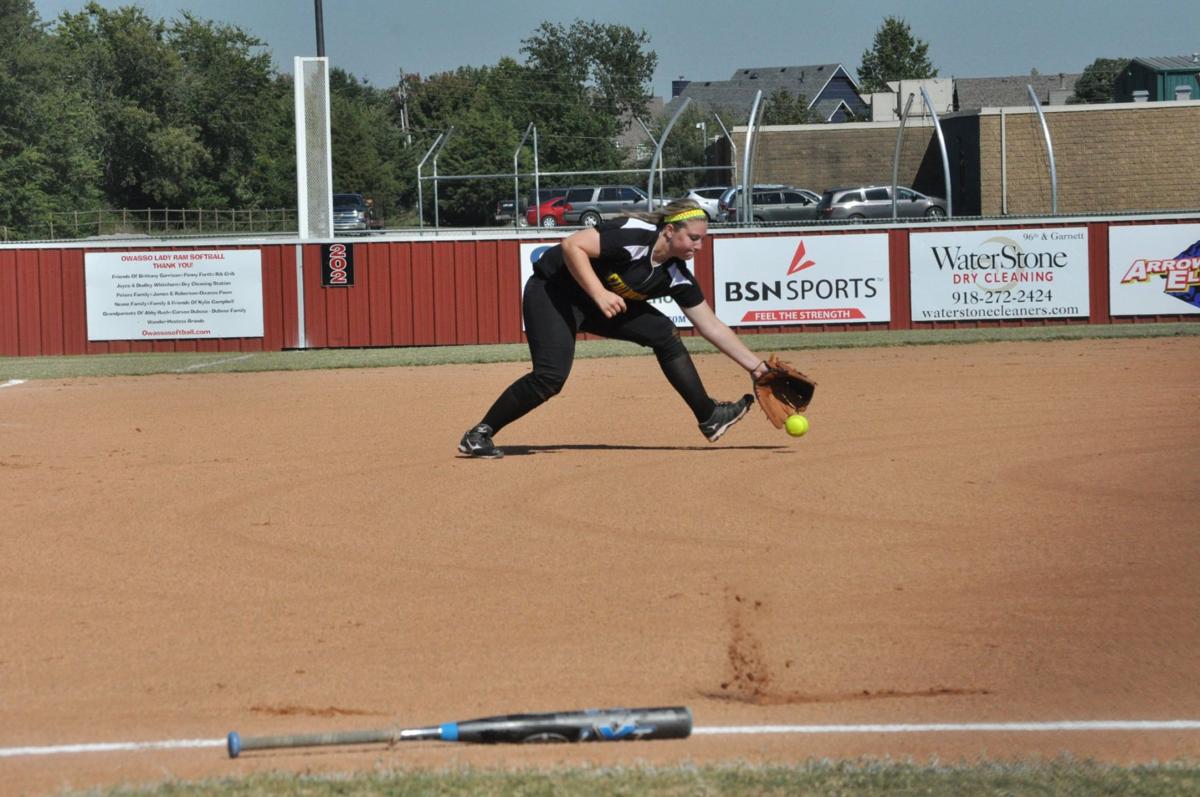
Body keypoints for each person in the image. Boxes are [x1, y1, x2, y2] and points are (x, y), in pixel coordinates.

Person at [458, 198, 772, 459]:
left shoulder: (675, 275)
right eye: (693, 238)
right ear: (669, 230)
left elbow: (711, 325)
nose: (699, 246)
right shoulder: (634, 235)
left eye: (702, 239)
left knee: (663, 333)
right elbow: (572, 245)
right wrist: (599, 293)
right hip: (553, 292)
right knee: (550, 377)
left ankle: (709, 416)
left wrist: (757, 368)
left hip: (599, 304)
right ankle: (479, 434)